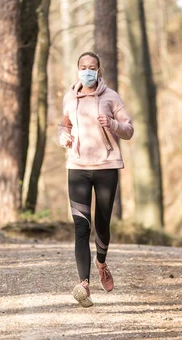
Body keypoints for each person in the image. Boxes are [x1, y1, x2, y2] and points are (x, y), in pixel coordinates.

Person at [58, 51, 134, 308]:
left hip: (106, 167)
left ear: (99, 71)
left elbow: (129, 130)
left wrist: (112, 123)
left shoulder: (111, 97)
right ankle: (84, 285)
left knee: (102, 224)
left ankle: (101, 263)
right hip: (77, 167)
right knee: (81, 227)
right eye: (83, 67)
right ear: (77, 69)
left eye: (92, 67)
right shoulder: (70, 98)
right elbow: (64, 125)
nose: (87, 71)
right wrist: (63, 137)